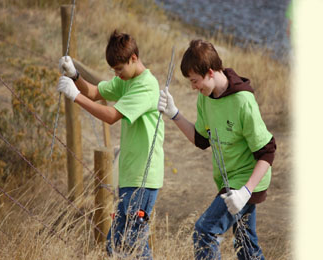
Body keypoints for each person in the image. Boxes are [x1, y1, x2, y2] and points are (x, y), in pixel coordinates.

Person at [158, 39, 276, 260]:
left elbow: (267, 152)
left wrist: (245, 192)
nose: (193, 87)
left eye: (195, 81)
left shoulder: (243, 101)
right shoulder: (205, 98)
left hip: (247, 181)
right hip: (228, 180)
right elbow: (202, 140)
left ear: (210, 72)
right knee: (246, 244)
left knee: (205, 232)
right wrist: (174, 113)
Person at [57, 30, 164, 259]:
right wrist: (75, 75)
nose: (117, 75)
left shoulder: (146, 86)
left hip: (143, 178)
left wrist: (75, 96)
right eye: (114, 71)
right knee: (116, 246)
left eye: (119, 69)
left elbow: (111, 115)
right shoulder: (127, 80)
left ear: (133, 58)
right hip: (129, 176)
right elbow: (96, 92)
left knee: (133, 246)